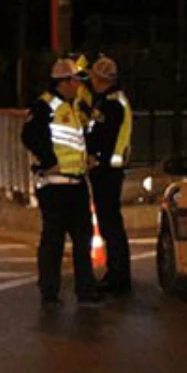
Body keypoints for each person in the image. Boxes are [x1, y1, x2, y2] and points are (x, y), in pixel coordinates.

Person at [21, 58, 104, 309]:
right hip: (55, 184)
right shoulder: (45, 106)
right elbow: (29, 135)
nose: (79, 84)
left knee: (83, 239)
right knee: (54, 240)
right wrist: (49, 162)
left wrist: (89, 156)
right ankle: (50, 293)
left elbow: (78, 139)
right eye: (76, 80)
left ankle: (86, 290)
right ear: (64, 82)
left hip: (76, 182)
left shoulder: (74, 107)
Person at [84, 55, 134, 296]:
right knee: (110, 224)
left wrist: (97, 157)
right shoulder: (108, 100)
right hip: (107, 168)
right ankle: (116, 275)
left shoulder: (112, 103)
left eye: (93, 77)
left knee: (111, 225)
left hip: (108, 169)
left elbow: (107, 135)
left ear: (101, 79)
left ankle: (118, 277)